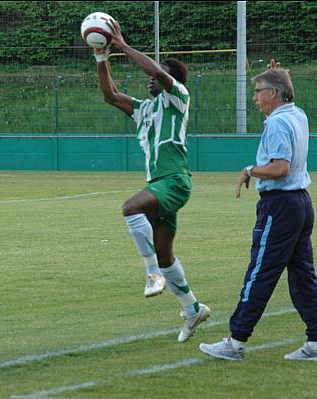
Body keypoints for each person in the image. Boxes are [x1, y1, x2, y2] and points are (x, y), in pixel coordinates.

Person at [199, 60, 317, 361]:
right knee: (303, 275)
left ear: (273, 93)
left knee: (260, 273)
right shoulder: (297, 114)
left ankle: (236, 342)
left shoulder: (276, 123)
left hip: (280, 206)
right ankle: (315, 343)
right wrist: (283, 75)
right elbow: (289, 96)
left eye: (258, 92)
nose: (254, 98)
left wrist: (249, 170)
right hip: (301, 203)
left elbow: (280, 167)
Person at [94, 20, 210, 342]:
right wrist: (101, 57)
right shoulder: (144, 110)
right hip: (160, 184)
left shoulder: (178, 98)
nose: (150, 80)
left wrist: (123, 44)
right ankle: (192, 308)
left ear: (168, 79)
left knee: (131, 208)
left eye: (156, 76)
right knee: (165, 254)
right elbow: (110, 95)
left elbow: (157, 73)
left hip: (173, 181)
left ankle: (151, 274)